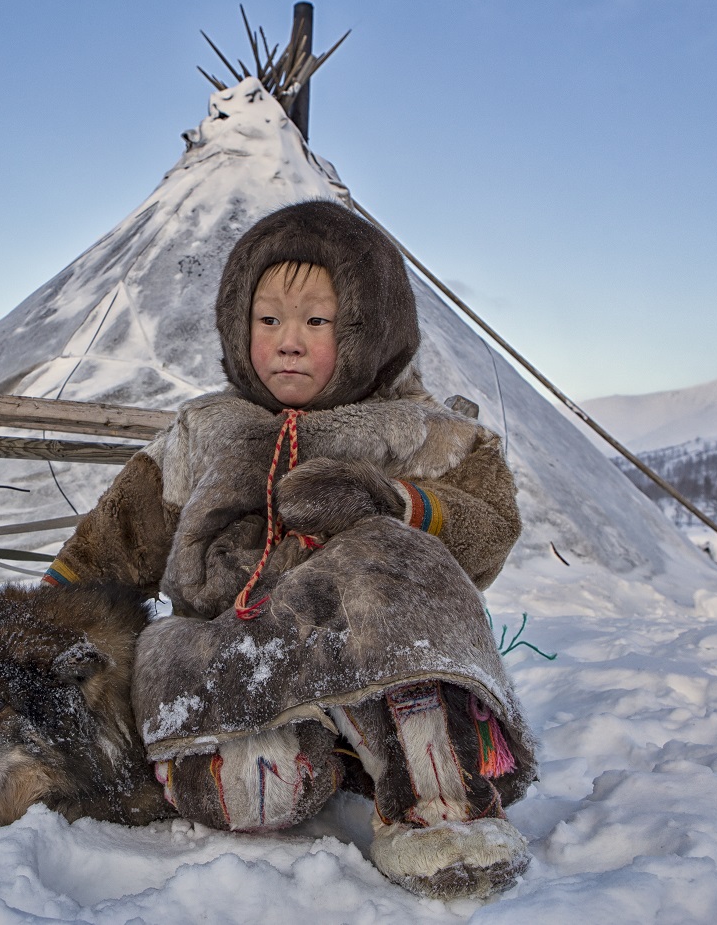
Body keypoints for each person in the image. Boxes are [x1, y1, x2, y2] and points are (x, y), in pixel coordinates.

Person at [43, 199, 537, 899]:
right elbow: (114, 539)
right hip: (235, 650)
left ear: (373, 328)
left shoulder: (422, 432)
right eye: (267, 319)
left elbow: (490, 527)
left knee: (390, 562)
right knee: (216, 729)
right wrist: (36, 619)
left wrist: (392, 501)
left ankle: (437, 793)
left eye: (318, 321)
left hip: (376, 654)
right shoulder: (203, 434)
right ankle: (297, 757)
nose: (288, 341)